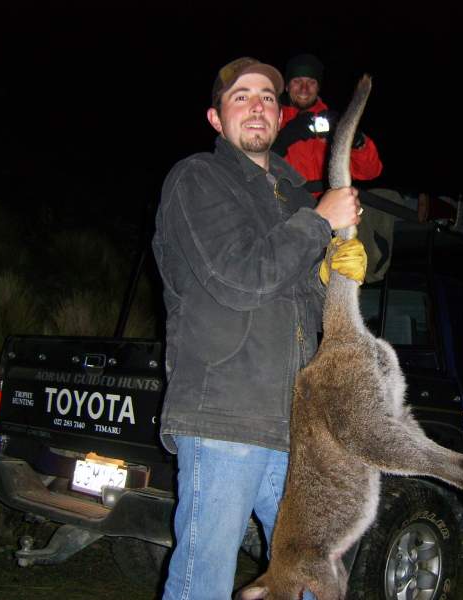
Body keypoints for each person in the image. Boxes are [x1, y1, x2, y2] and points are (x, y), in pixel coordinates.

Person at [152, 56, 367, 600]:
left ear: (279, 116)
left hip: (295, 422)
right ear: (216, 119)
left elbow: (300, 304)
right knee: (205, 580)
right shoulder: (198, 178)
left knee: (315, 580)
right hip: (224, 412)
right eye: (241, 96)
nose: (258, 105)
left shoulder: (293, 193)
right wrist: (319, 221)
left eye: (268, 97)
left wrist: (330, 276)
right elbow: (238, 278)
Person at [272, 53, 383, 196]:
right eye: (297, 81)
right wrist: (284, 138)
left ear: (318, 87)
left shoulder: (335, 123)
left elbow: (370, 172)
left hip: (330, 204)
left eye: (311, 82)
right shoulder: (272, 120)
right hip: (286, 204)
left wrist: (358, 142)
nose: (304, 88)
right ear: (286, 86)